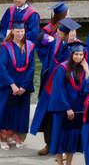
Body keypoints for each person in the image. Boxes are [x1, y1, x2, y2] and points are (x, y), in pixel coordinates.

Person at [31, 16, 80, 154]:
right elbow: (40, 43)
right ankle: (49, 144)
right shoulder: (56, 43)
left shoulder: (77, 47)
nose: (56, 33)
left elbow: (75, 66)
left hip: (65, 89)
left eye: (59, 32)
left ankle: (62, 149)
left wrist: (70, 45)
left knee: (62, 119)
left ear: (67, 34)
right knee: (48, 117)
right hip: (49, 87)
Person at [0, 18, 35, 149]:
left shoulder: (30, 46)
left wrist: (24, 86)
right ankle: (3, 139)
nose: (20, 34)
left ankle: (18, 138)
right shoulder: (5, 47)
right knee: (6, 113)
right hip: (8, 87)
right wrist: (12, 85)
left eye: (22, 31)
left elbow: (31, 68)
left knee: (20, 113)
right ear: (13, 31)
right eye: (17, 31)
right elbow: (1, 67)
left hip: (23, 86)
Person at [49, 43, 89, 165]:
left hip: (78, 108)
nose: (78, 57)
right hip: (62, 108)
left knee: (73, 136)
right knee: (61, 136)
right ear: (71, 54)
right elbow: (59, 90)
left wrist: (88, 70)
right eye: (76, 54)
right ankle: (60, 163)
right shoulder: (62, 68)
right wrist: (67, 108)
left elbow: (87, 90)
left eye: (81, 54)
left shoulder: (82, 70)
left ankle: (69, 164)